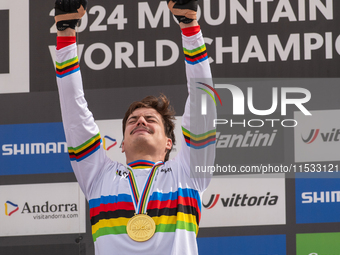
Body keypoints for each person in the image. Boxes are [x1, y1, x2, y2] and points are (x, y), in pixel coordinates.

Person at [55, 0, 216, 254]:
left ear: (169, 142)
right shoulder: (98, 176)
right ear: (120, 143)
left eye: (150, 120)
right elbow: (74, 112)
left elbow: (202, 100)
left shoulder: (188, 174)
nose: (140, 121)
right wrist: (65, 31)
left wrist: (189, 25)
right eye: (133, 121)